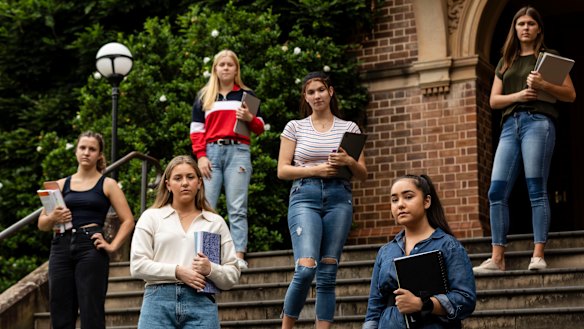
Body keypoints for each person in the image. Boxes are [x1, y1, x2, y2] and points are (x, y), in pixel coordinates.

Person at [473, 6, 576, 274]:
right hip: (510, 125)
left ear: (538, 28)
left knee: (535, 188)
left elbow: (569, 94)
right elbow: (494, 100)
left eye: (531, 23)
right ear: (515, 29)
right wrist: (519, 95)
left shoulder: (548, 58)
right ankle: (497, 259)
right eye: (521, 24)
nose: (526, 28)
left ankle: (538, 255)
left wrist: (543, 86)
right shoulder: (506, 60)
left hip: (538, 123)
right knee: (496, 191)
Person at [277, 71, 368, 329]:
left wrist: (348, 161)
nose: (316, 95)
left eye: (320, 90)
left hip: (339, 198)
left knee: (328, 273)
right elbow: (282, 170)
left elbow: (362, 174)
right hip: (304, 196)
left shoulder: (349, 127)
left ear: (331, 91)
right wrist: (315, 170)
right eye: (310, 92)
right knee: (306, 268)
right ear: (305, 97)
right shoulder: (295, 126)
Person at [37, 131, 135, 329]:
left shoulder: (108, 184)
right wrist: (53, 217)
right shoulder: (61, 184)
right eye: (83, 148)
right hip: (61, 247)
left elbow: (128, 220)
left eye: (92, 149)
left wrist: (112, 246)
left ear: (99, 155)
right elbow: (42, 224)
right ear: (76, 151)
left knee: (91, 311)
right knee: (60, 310)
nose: (86, 152)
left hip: (90, 247)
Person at [130, 155, 240, 329]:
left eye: (190, 177)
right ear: (168, 184)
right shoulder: (151, 217)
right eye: (178, 178)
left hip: (201, 304)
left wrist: (211, 269)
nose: (185, 183)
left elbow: (232, 274)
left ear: (199, 183)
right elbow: (137, 266)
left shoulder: (214, 222)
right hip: (157, 304)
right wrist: (178, 271)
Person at [362, 174, 476, 329]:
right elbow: (374, 307)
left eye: (408, 197)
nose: (400, 205)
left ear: (427, 201)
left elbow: (466, 300)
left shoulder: (449, 246)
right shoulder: (385, 252)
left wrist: (423, 304)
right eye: (394, 200)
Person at [190, 49, 265, 270]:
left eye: (229, 65)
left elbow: (260, 128)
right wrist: (201, 156)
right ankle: (208, 256)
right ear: (215, 68)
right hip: (211, 153)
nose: (225, 68)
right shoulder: (205, 96)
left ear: (236, 69)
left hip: (239, 151)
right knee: (208, 206)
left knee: (237, 206)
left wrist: (250, 118)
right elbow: (196, 131)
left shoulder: (246, 95)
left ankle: (238, 256)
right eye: (221, 64)